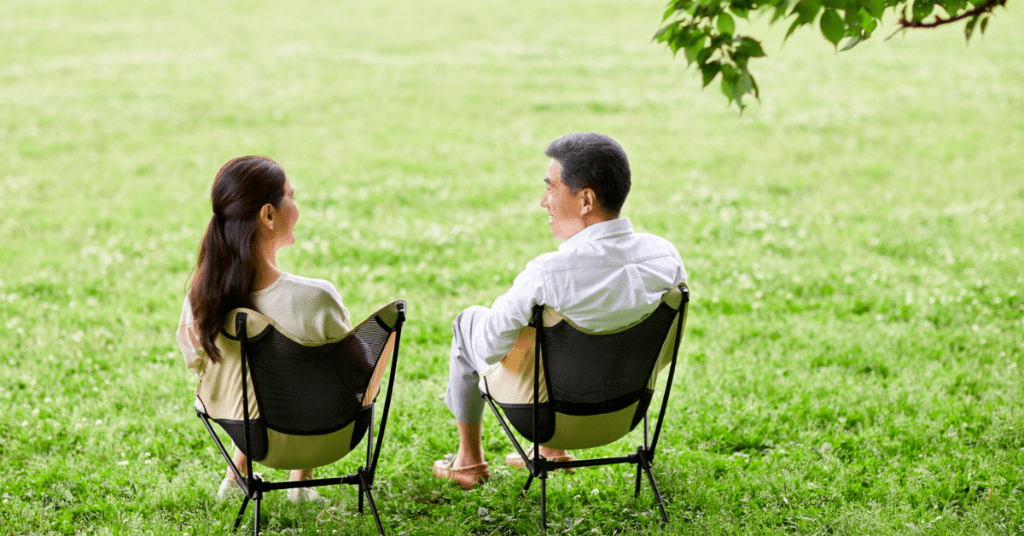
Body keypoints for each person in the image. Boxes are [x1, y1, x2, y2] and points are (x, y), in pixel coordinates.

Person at [434, 132, 687, 489]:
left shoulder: (548, 274)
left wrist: (518, 343)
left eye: (551, 188)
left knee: (469, 323)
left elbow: (487, 350)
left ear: (585, 200)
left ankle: (468, 462)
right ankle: (552, 452)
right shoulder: (665, 257)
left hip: (545, 417)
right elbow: (663, 353)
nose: (543, 201)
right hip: (625, 413)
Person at [176, 155, 351, 504]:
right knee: (312, 366)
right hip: (322, 436)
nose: (296, 206)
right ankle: (300, 485)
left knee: (249, 378)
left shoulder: (203, 298)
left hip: (248, 429)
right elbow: (355, 370)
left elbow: (197, 363)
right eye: (291, 196)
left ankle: (233, 478)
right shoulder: (315, 297)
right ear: (269, 214)